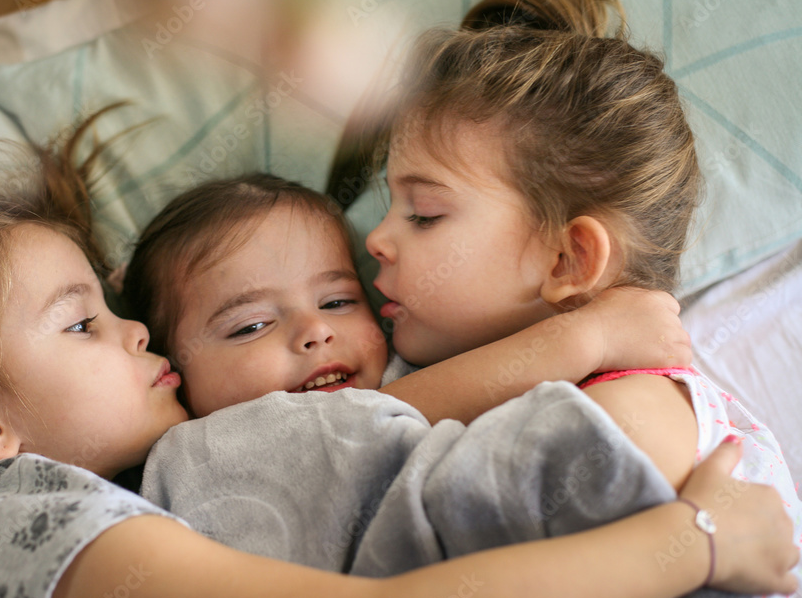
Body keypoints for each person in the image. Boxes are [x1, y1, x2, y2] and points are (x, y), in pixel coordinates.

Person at [0, 122, 796, 598]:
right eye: (82, 324)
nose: (135, 331)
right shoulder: (25, 521)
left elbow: (366, 424)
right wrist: (698, 540)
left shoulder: (152, 489)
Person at [358, 0, 802, 598]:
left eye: (425, 215)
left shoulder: (634, 414)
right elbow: (343, 436)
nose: (375, 240)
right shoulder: (426, 375)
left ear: (567, 260)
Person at [121, 172, 686, 422]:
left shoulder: (416, 357)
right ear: (173, 372)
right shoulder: (206, 450)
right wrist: (590, 336)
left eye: (338, 302)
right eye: (250, 326)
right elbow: (360, 428)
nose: (316, 331)